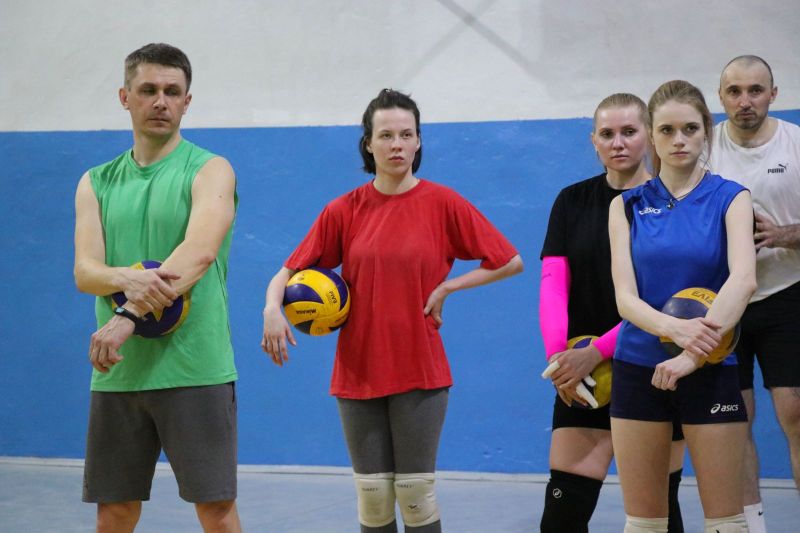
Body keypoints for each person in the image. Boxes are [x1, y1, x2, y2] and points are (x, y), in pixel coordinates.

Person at [261, 88, 523, 533]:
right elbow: (287, 271)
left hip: (419, 367)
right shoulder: (344, 210)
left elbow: (509, 260)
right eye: (386, 135)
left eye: (406, 134)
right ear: (368, 144)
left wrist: (449, 286)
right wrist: (272, 308)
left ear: (419, 141)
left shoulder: (443, 203)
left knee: (415, 496)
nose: (396, 144)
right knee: (374, 499)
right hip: (358, 368)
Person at [73, 43, 241, 532]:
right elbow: (86, 271)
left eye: (172, 91)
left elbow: (199, 253)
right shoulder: (96, 182)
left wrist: (126, 316)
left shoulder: (211, 170)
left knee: (216, 508)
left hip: (195, 368)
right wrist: (125, 278)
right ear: (125, 97)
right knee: (114, 510)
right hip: (119, 372)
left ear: (187, 102)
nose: (160, 101)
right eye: (148, 90)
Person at [608, 80, 757, 532]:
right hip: (638, 367)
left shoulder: (732, 197)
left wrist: (692, 355)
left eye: (690, 128)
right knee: (644, 523)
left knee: (726, 522)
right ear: (651, 136)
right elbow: (625, 299)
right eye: (667, 130)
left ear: (706, 131)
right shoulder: (625, 206)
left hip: (711, 368)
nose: (679, 140)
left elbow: (743, 280)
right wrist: (674, 330)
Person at [539, 93, 685, 533]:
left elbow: (664, 300)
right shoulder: (572, 201)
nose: (618, 143)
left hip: (652, 367)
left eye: (629, 132)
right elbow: (553, 284)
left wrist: (597, 351)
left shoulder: (672, 203)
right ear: (594, 141)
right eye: (607, 134)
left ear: (649, 136)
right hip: (581, 374)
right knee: (562, 517)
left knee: (657, 513)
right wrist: (560, 360)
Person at [709, 54, 800, 533]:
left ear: (773, 94)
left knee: (795, 412)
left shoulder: (795, 143)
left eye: (756, 90)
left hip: (788, 294)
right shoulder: (702, 148)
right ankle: (751, 526)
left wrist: (784, 234)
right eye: (735, 91)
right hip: (723, 301)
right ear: (721, 97)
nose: (745, 101)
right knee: (734, 421)